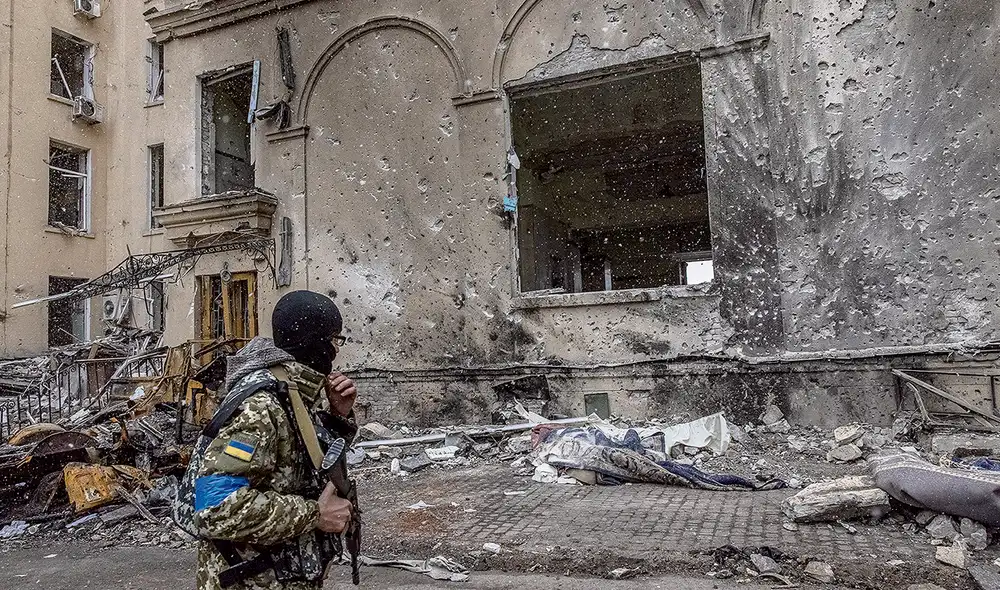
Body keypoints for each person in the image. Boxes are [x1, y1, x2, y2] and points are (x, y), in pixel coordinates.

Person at [179, 290, 359, 590]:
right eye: (333, 340)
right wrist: (314, 514)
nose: (335, 351)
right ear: (314, 341)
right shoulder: (261, 407)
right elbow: (215, 507)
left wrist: (337, 416)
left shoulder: (292, 394)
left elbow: (303, 469)